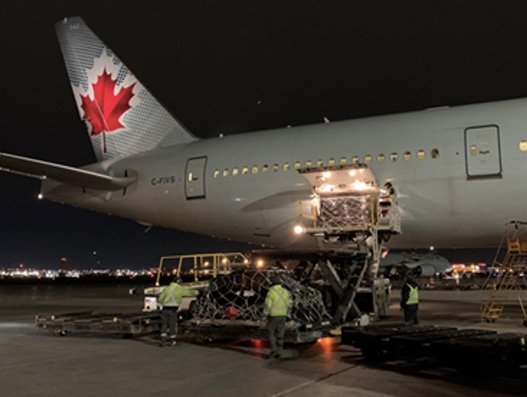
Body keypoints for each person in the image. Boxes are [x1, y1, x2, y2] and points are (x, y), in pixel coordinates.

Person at [158, 278, 199, 346]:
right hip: (173, 310)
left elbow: (160, 299)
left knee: (164, 325)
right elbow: (189, 293)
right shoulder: (179, 289)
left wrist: (162, 303)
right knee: (172, 325)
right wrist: (198, 292)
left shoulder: (166, 289)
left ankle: (163, 340)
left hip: (164, 309)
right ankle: (172, 341)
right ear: (179, 282)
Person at [263, 275, 292, 359]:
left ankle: (274, 349)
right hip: (283, 315)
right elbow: (289, 303)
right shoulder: (285, 292)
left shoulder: (271, 293)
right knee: (280, 333)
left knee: (270, 331)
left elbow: (268, 305)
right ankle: (279, 351)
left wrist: (265, 314)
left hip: (274, 316)